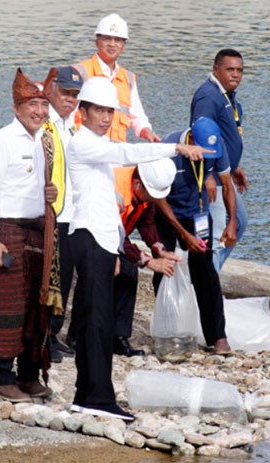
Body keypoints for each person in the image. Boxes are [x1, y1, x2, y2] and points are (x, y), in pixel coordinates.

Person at [67, 77, 209, 421]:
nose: (104, 117)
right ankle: (97, 397)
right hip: (87, 237)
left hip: (100, 239)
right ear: (82, 112)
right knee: (96, 321)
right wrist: (175, 148)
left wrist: (119, 249)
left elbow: (109, 207)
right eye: (98, 110)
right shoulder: (84, 144)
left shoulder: (96, 146)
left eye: (109, 111)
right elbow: (127, 152)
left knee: (92, 318)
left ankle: (86, 393)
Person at [0, 68, 57, 402]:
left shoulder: (48, 140)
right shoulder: (1, 141)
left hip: (39, 228)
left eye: (43, 103)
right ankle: (1, 376)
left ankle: (28, 374)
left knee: (37, 303)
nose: (39, 110)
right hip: (8, 229)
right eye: (32, 104)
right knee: (10, 305)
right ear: (16, 108)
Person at [152, 117, 237, 354]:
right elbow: (156, 197)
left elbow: (227, 185)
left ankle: (217, 336)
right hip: (166, 212)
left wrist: (231, 222)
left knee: (206, 272)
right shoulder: (169, 150)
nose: (207, 158)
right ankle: (166, 331)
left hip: (198, 214)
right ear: (190, 141)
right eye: (202, 153)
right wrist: (182, 234)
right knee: (165, 267)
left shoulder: (216, 146)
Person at [111, 160, 181, 357]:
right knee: (99, 278)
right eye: (151, 195)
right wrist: (149, 261)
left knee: (129, 272)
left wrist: (159, 249)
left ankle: (119, 336)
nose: (153, 200)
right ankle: (77, 334)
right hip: (96, 235)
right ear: (137, 185)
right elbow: (114, 234)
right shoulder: (115, 188)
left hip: (117, 237)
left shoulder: (145, 194)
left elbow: (147, 223)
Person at [38, 66, 83, 363]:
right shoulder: (44, 125)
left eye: (75, 95)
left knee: (64, 280)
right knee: (47, 280)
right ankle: (42, 339)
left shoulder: (72, 127)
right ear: (52, 90)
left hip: (69, 216)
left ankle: (53, 335)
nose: (70, 99)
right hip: (49, 216)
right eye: (65, 92)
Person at [190, 49, 248, 271]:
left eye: (239, 70)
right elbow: (199, 136)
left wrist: (234, 167)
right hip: (212, 177)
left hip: (225, 172)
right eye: (230, 69)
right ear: (216, 70)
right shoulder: (208, 96)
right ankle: (207, 288)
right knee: (215, 235)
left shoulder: (225, 94)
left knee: (239, 223)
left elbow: (222, 136)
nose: (236, 75)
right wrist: (207, 177)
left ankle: (209, 279)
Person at [72, 13, 160, 143]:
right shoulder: (80, 72)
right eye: (107, 39)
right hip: (87, 153)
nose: (112, 44)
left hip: (117, 156)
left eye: (118, 40)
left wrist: (147, 132)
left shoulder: (128, 78)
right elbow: (66, 117)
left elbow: (137, 117)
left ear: (123, 46)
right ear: (97, 42)